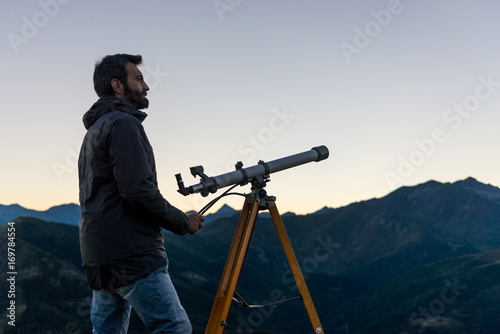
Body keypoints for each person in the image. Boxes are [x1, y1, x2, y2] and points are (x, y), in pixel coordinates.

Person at [78, 53, 204, 333]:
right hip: (130, 255)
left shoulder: (94, 131)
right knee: (174, 327)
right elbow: (137, 191)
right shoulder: (124, 123)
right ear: (117, 85)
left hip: (99, 257)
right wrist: (184, 222)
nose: (146, 86)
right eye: (139, 79)